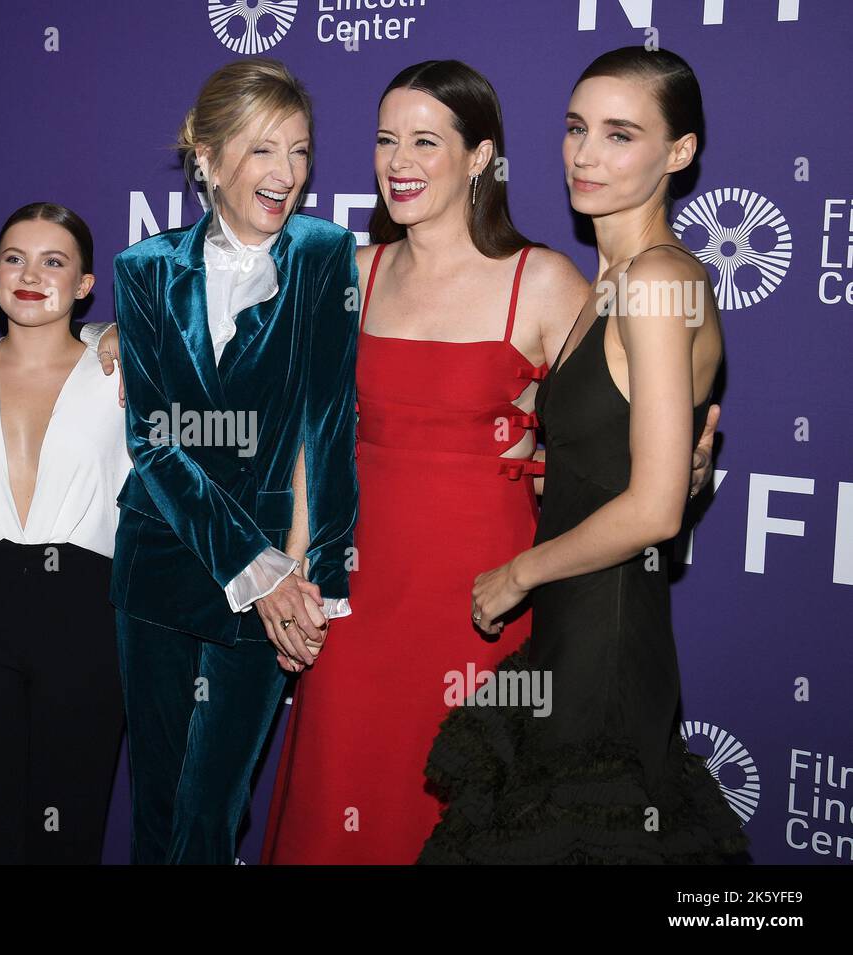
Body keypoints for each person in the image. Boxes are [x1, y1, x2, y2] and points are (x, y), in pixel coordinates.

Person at [263, 61, 721, 865]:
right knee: (339, 792)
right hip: (361, 592)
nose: (399, 159)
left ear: (479, 157)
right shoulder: (352, 273)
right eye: (385, 139)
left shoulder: (563, 281)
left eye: (426, 141)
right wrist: (125, 333)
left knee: (455, 808)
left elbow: (629, 469)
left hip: (490, 587)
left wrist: (671, 478)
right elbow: (295, 415)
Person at [419, 47, 748, 864]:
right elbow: (629, 461)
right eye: (575, 128)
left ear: (679, 153)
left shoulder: (656, 281)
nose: (586, 154)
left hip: (604, 638)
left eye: (620, 134)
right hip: (575, 631)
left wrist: (517, 574)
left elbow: (653, 506)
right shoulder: (611, 283)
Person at [111, 58, 359, 864]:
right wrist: (259, 568)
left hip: (274, 580)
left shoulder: (323, 256)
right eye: (262, 151)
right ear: (207, 157)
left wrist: (314, 581)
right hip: (157, 562)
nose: (286, 174)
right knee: (156, 802)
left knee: (210, 810)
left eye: (299, 151)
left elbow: (327, 425)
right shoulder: (142, 271)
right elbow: (153, 439)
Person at [0, 203, 127, 864]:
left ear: (85, 285)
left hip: (87, 617)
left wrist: (133, 335)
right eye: (15, 258)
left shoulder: (123, 371)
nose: (31, 274)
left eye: (54, 261)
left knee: (65, 824)